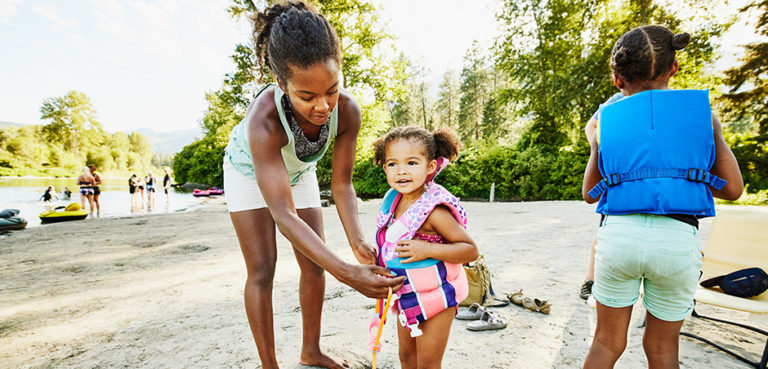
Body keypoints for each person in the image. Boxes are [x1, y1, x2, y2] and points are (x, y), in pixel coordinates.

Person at [221, 3, 404, 368]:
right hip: (246, 170)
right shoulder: (264, 121)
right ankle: (269, 364)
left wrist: (356, 242)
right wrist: (347, 273)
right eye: (307, 96)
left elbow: (342, 184)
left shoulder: (347, 111)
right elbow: (283, 214)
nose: (323, 106)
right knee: (262, 269)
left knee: (314, 265)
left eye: (332, 90)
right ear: (281, 84)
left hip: (299, 171)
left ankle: (311, 351)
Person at [581, 25, 743, 369]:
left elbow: (588, 194)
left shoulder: (607, 121)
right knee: (663, 348)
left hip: (619, 239)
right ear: (674, 67)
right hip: (676, 241)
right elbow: (732, 190)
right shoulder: (703, 117)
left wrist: (596, 143)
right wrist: (713, 129)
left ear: (617, 79)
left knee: (606, 343)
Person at [372, 126, 478, 369]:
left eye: (411, 162)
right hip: (406, 296)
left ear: (430, 166)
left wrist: (427, 250)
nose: (401, 171)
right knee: (407, 359)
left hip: (439, 298)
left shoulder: (434, 211)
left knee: (428, 364)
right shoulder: (393, 202)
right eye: (392, 164)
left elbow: (470, 250)